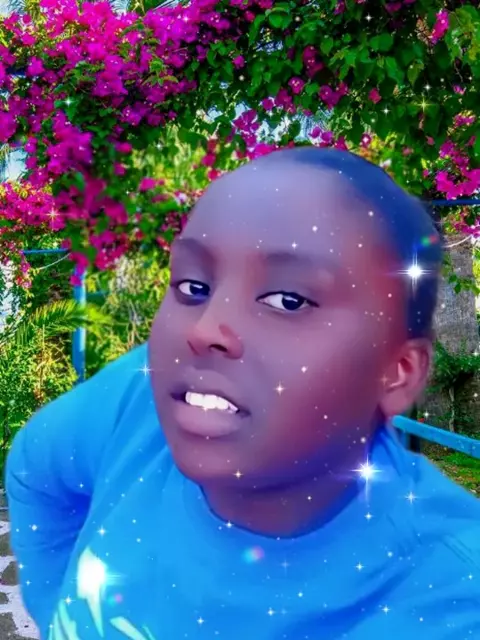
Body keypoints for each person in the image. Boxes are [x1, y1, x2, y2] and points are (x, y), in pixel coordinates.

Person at [6, 147, 480, 640]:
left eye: (288, 300)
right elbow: (34, 468)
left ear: (395, 373)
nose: (205, 329)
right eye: (194, 287)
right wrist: (58, 612)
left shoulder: (446, 601)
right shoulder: (143, 394)